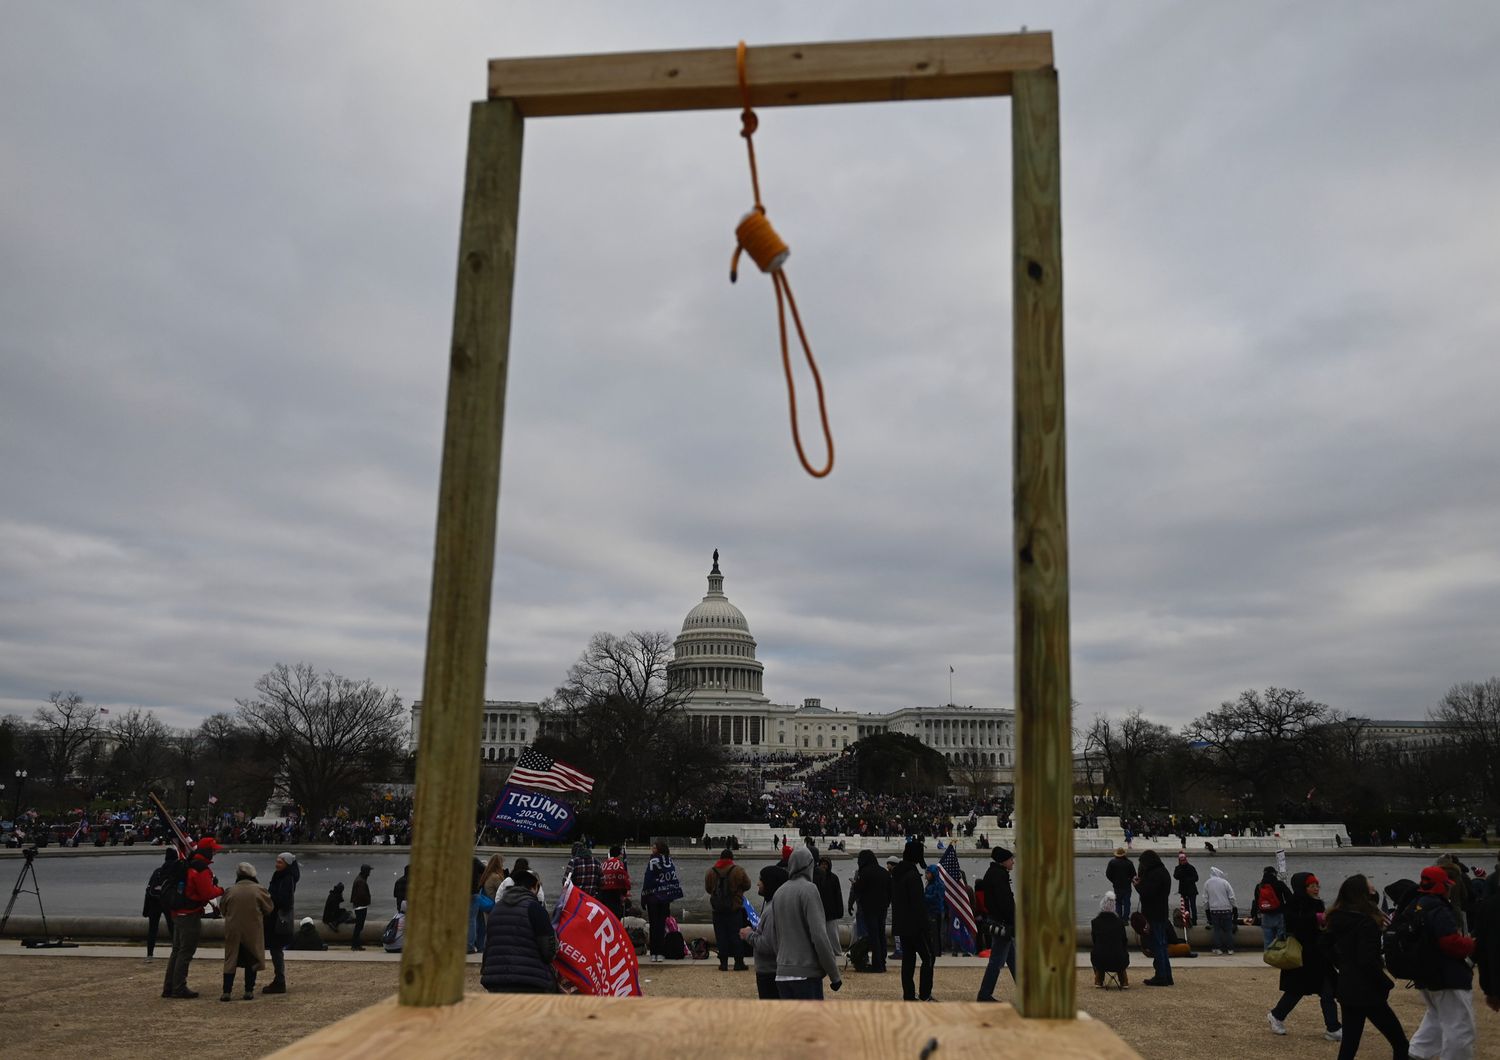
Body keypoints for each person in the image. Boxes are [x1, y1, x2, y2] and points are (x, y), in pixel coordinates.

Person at [1321, 874, 1408, 1060]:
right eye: (1371, 889)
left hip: (1347, 986)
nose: (1375, 891)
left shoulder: (1336, 918)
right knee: (1400, 1042)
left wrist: (1343, 965)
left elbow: (1325, 948)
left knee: (1349, 1045)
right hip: (1368, 990)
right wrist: (1385, 983)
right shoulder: (1366, 923)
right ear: (1363, 895)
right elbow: (1367, 960)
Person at [1404, 865, 1477, 1059]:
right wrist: (1471, 945)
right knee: (1460, 1028)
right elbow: (1449, 942)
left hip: (1426, 975)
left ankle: (1417, 1054)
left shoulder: (1415, 905)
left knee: (1435, 1019)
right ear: (1442, 886)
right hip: (1447, 977)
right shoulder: (1438, 907)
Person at [1267, 872, 1342, 1041]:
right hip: (1303, 955)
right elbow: (1294, 924)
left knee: (1327, 991)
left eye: (1317, 885)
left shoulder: (1317, 904)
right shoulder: (1294, 904)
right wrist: (1316, 919)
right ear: (1303, 887)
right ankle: (1277, 1015)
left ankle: (1333, 1027)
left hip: (1318, 956)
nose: (1316, 889)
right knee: (1296, 990)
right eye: (1311, 885)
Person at [769, 847, 843, 999]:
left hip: (782, 973)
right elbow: (819, 936)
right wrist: (834, 975)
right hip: (805, 974)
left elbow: (774, 936)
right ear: (810, 865)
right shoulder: (809, 889)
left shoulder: (779, 892)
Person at [162, 836, 226, 999]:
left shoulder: (188, 863)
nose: (214, 854)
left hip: (177, 912)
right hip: (189, 915)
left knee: (176, 951)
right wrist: (221, 890)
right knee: (186, 952)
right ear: (207, 852)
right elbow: (207, 893)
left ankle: (169, 986)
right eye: (213, 851)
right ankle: (179, 987)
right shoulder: (201, 868)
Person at [479, 869, 558, 994]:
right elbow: (548, 950)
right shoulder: (535, 908)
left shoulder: (496, 910)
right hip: (531, 981)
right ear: (535, 886)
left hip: (495, 980)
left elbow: (488, 945)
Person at [220, 862, 274, 1002]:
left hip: (233, 928)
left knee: (230, 960)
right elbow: (269, 909)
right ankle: (248, 990)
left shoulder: (230, 890)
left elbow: (223, 909)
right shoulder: (259, 890)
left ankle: (227, 991)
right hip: (253, 929)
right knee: (252, 958)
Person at [891, 840, 936, 1002]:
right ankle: (925, 994)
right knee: (929, 957)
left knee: (908, 961)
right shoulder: (913, 876)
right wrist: (926, 927)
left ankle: (909, 995)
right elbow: (918, 905)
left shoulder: (897, 874)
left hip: (902, 925)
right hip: (915, 926)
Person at [740, 864, 790, 999]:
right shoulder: (773, 904)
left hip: (769, 972)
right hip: (771, 970)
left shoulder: (772, 909)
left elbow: (768, 945)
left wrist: (748, 935)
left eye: (761, 880)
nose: (757, 884)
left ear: (770, 883)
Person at [977, 847, 1017, 1002]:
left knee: (1013, 960)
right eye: (1011, 859)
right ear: (1004, 861)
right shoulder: (999, 876)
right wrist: (1013, 921)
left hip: (998, 921)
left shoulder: (993, 873)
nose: (1013, 862)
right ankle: (984, 995)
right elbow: (1005, 902)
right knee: (996, 962)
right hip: (1003, 923)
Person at [705, 847, 752, 971]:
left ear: (720, 858)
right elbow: (747, 885)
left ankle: (723, 963)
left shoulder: (711, 871)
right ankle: (738, 963)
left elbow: (708, 889)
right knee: (736, 936)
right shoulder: (738, 870)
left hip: (717, 910)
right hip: (734, 908)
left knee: (721, 936)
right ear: (732, 858)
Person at [1135, 849, 1174, 987]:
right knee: (1162, 945)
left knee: (1157, 945)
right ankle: (1167, 975)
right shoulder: (1163, 871)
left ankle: (1161, 976)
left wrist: (1137, 885)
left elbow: (1147, 893)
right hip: (1162, 912)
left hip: (1153, 913)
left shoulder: (1154, 874)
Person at [261, 852, 298, 994]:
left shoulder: (286, 878)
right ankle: (279, 979)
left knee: (276, 950)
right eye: (276, 861)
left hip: (277, 919)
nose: (277, 864)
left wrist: (268, 897)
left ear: (287, 864)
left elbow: (284, 901)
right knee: (276, 950)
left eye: (280, 862)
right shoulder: (283, 876)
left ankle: (280, 981)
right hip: (276, 918)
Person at [849, 849, 891, 973]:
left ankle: (877, 964)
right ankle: (882, 962)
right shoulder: (884, 872)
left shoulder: (865, 872)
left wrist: (854, 884)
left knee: (873, 936)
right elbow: (890, 890)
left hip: (869, 908)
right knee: (881, 934)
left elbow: (859, 889)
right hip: (882, 908)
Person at [642, 840, 683, 963]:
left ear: (658, 849)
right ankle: (660, 952)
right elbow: (672, 879)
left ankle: (654, 952)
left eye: (654, 847)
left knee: (654, 926)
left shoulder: (653, 861)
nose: (652, 849)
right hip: (665, 898)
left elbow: (647, 880)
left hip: (653, 898)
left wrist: (643, 897)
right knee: (661, 926)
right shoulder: (669, 861)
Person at [1090, 893, 1129, 988]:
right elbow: (1124, 941)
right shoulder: (1120, 923)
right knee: (1120, 952)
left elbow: (1095, 941)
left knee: (1097, 952)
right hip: (1119, 960)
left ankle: (1099, 979)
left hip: (1100, 960)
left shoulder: (1095, 922)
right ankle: (1123, 981)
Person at [142, 848, 176, 959]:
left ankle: (149, 954)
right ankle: (175, 952)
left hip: (154, 901)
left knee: (152, 929)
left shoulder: (158, 871)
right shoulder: (175, 870)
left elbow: (148, 889)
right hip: (167, 902)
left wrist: (146, 909)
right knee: (172, 928)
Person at [1256, 865, 1294, 948]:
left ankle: (1268, 957)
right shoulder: (1279, 884)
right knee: (1280, 939)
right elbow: (1290, 897)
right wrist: (1286, 908)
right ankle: (1279, 957)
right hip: (1279, 913)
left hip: (1265, 915)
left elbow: (1256, 902)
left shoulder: (1259, 886)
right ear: (1274, 874)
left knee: (1267, 940)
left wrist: (1254, 916)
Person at [1203, 866, 1237, 955]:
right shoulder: (1225, 882)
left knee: (1216, 930)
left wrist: (1207, 910)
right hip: (1226, 910)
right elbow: (1231, 897)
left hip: (1214, 911)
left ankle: (1218, 948)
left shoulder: (1207, 883)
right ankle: (1230, 949)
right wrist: (1234, 907)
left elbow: (1205, 899)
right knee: (1228, 930)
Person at [815, 856, 844, 957]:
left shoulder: (833, 878)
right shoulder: (816, 877)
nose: (824, 866)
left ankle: (837, 952)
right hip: (819, 910)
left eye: (826, 864)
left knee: (833, 935)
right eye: (822, 864)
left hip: (831, 911)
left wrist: (840, 911)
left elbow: (838, 895)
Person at [600, 846, 630, 919]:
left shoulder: (603, 864)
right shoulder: (618, 864)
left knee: (606, 913)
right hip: (615, 892)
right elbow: (623, 879)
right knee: (616, 914)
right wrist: (625, 891)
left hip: (603, 892)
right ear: (618, 854)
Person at [1106, 847, 1135, 923]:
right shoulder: (1129, 863)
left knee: (1118, 902)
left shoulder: (1112, 862)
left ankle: (1119, 918)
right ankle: (1125, 919)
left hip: (1117, 886)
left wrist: (1114, 881)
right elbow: (1134, 874)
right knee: (1127, 903)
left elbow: (1108, 874)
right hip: (1127, 886)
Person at [923, 865, 945, 961]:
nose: (926, 875)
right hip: (930, 911)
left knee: (935, 933)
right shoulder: (931, 884)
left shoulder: (938, 885)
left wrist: (923, 897)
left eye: (928, 873)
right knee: (932, 933)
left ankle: (936, 951)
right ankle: (933, 950)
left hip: (935, 911)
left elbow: (936, 898)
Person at [350, 864, 373, 951]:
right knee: (359, 926)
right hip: (360, 907)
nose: (370, 873)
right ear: (366, 872)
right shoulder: (361, 881)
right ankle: (355, 945)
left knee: (359, 926)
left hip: (359, 906)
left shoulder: (360, 879)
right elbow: (361, 895)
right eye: (369, 871)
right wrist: (367, 900)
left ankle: (356, 944)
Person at [1174, 851, 1200, 927]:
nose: (1183, 862)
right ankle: (1188, 920)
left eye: (1184, 860)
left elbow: (1196, 878)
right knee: (1186, 907)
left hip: (1192, 890)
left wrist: (1188, 880)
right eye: (1181, 860)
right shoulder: (1178, 868)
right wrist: (1181, 870)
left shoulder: (1191, 867)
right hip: (1183, 890)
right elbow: (1176, 876)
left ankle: (1194, 920)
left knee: (1193, 906)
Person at [466, 854, 486, 954]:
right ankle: (469, 946)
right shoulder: (473, 859)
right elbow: (485, 870)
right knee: (471, 920)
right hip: (473, 892)